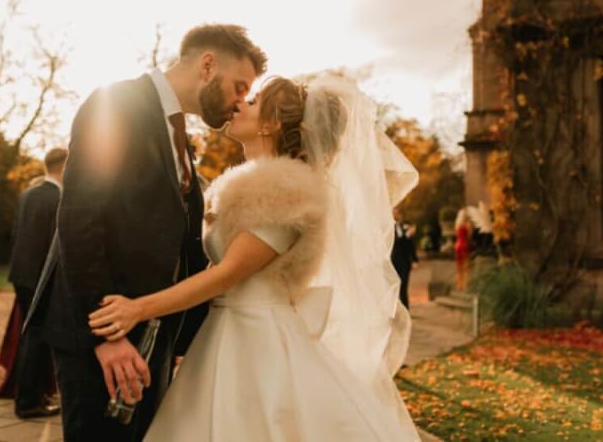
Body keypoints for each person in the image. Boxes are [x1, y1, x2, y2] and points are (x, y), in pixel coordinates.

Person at [89, 74, 421, 441]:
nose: (240, 103)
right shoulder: (248, 187)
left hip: (258, 344)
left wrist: (138, 308)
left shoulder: (286, 193)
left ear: (272, 124)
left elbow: (226, 274)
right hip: (225, 332)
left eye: (255, 100)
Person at [23, 24, 267, 440]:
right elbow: (81, 218)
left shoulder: (177, 134)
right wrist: (107, 336)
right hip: (104, 332)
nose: (239, 102)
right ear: (208, 65)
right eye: (239, 86)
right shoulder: (116, 103)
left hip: (151, 332)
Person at [0, 148, 67, 417]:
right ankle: (28, 402)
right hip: (40, 277)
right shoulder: (58, 198)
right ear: (65, 166)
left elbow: (17, 233)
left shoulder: (28, 194)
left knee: (29, 337)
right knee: (37, 339)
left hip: (21, 274)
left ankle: (33, 395)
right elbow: (54, 245)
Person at [391, 208, 418, 309]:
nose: (396, 215)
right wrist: (407, 234)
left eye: (397, 213)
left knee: (404, 287)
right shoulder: (389, 227)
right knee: (395, 287)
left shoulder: (404, 226)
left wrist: (415, 259)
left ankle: (406, 310)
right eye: (394, 213)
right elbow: (397, 241)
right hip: (394, 261)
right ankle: (395, 310)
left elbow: (410, 245)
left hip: (405, 262)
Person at [454, 208, 472, 291]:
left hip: (457, 245)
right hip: (464, 245)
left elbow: (457, 235)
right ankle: (466, 285)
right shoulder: (467, 225)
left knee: (459, 267)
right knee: (466, 266)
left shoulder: (457, 224)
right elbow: (469, 236)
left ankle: (459, 285)